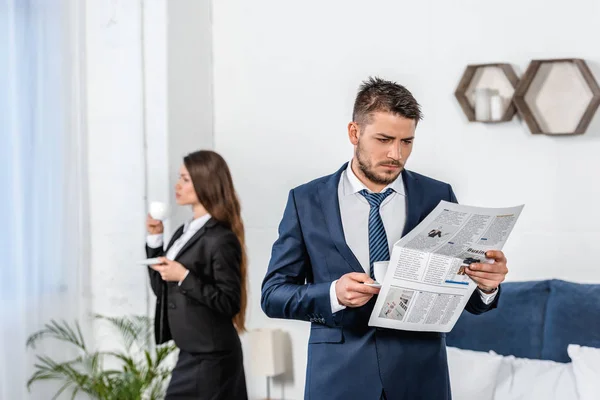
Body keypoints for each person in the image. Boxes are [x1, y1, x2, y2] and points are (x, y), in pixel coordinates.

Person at [261, 77, 508, 400]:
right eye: (384, 139)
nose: (396, 153)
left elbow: (462, 295)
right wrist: (333, 293)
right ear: (354, 133)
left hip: (420, 378)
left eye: (407, 141)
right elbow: (273, 294)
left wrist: (486, 286)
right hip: (337, 379)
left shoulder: (437, 195)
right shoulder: (305, 201)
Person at [146, 150, 248, 400]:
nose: (177, 185)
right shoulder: (184, 231)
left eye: (185, 179)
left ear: (205, 183)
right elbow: (163, 290)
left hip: (213, 358)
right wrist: (155, 239)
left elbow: (229, 301)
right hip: (192, 352)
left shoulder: (221, 238)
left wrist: (183, 275)